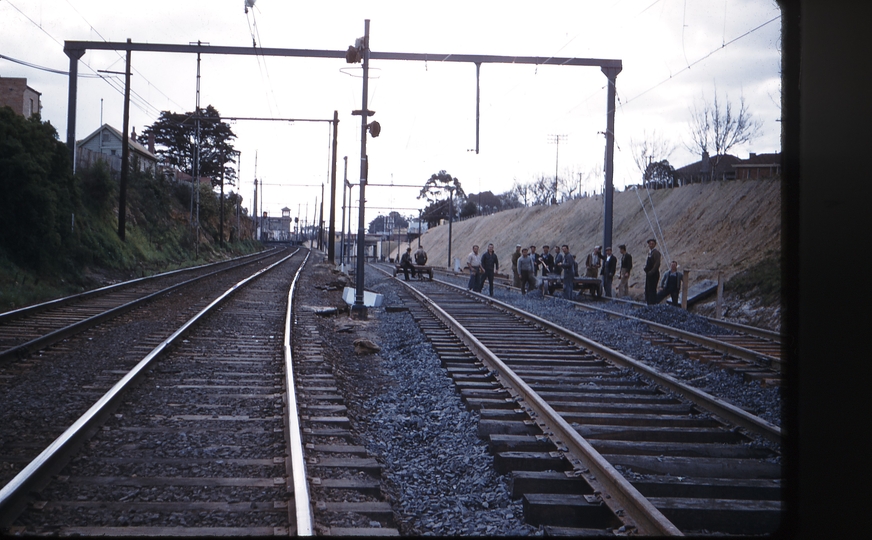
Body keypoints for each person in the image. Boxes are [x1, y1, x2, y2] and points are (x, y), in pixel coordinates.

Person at [643, 238, 662, 305]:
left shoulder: (656, 253)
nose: (651, 245)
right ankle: (649, 302)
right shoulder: (650, 252)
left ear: (655, 244)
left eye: (652, 244)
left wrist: (652, 271)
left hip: (653, 274)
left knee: (652, 289)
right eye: (650, 244)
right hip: (649, 273)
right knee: (648, 288)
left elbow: (657, 263)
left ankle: (652, 303)